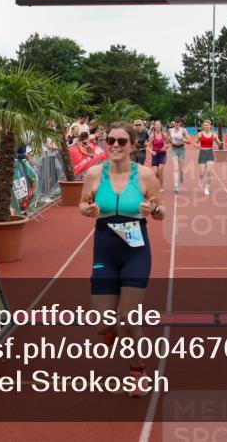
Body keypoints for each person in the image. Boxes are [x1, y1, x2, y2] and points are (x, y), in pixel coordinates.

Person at [77, 121, 164, 397]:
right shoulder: (93, 174)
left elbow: (161, 212)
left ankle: (137, 371)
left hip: (135, 250)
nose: (115, 145)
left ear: (132, 145)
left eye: (121, 141)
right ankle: (109, 327)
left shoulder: (146, 176)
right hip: (104, 247)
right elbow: (82, 204)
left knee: (129, 318)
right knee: (102, 322)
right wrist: (87, 209)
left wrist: (154, 208)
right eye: (110, 140)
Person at [194, 119, 218, 196]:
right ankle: (200, 179)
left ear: (210, 126)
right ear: (203, 126)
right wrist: (197, 145)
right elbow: (195, 142)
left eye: (208, 125)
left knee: (208, 172)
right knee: (202, 173)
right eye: (205, 125)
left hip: (210, 153)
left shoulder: (214, 135)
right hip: (202, 153)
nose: (206, 126)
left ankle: (206, 188)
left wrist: (222, 143)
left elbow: (218, 142)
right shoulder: (200, 134)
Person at [168, 118, 191, 193]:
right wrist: (171, 142)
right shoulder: (170, 130)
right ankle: (176, 186)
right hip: (174, 149)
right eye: (175, 122)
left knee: (181, 169)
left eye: (178, 122)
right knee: (175, 168)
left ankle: (181, 175)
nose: (176, 124)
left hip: (181, 149)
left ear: (180, 123)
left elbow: (189, 141)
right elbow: (168, 139)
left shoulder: (183, 130)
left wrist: (182, 139)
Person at [148, 120, 170, 193]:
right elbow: (148, 146)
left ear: (161, 126)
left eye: (159, 125)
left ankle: (161, 187)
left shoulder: (164, 134)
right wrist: (151, 151)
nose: (157, 126)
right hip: (155, 154)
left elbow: (169, 144)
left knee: (160, 170)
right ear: (154, 126)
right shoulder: (152, 135)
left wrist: (165, 147)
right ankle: (156, 184)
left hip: (162, 154)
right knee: (155, 173)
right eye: (156, 125)